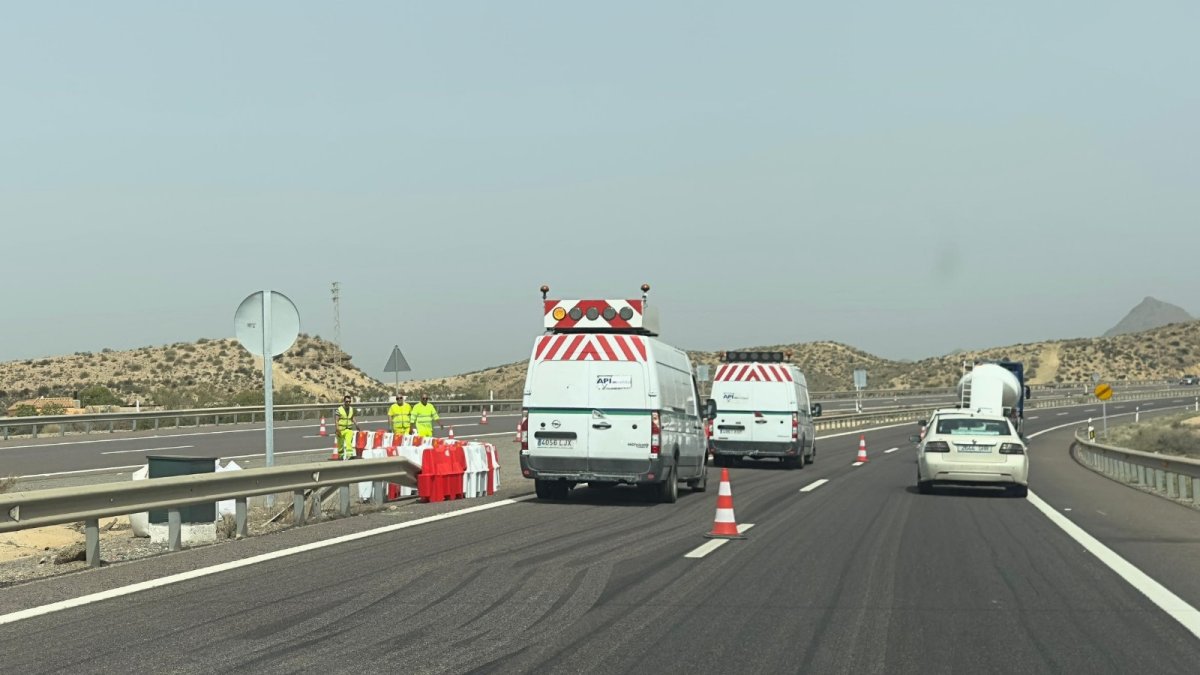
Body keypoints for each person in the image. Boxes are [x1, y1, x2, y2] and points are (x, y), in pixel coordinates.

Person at [335, 395, 361, 460]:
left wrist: (356, 424)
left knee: (348, 442)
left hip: (349, 429)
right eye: (347, 401)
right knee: (340, 445)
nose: (348, 403)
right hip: (341, 430)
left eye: (349, 401)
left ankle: (349, 455)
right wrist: (337, 429)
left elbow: (352, 417)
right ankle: (341, 455)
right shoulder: (339, 410)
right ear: (344, 401)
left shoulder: (351, 409)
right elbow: (336, 420)